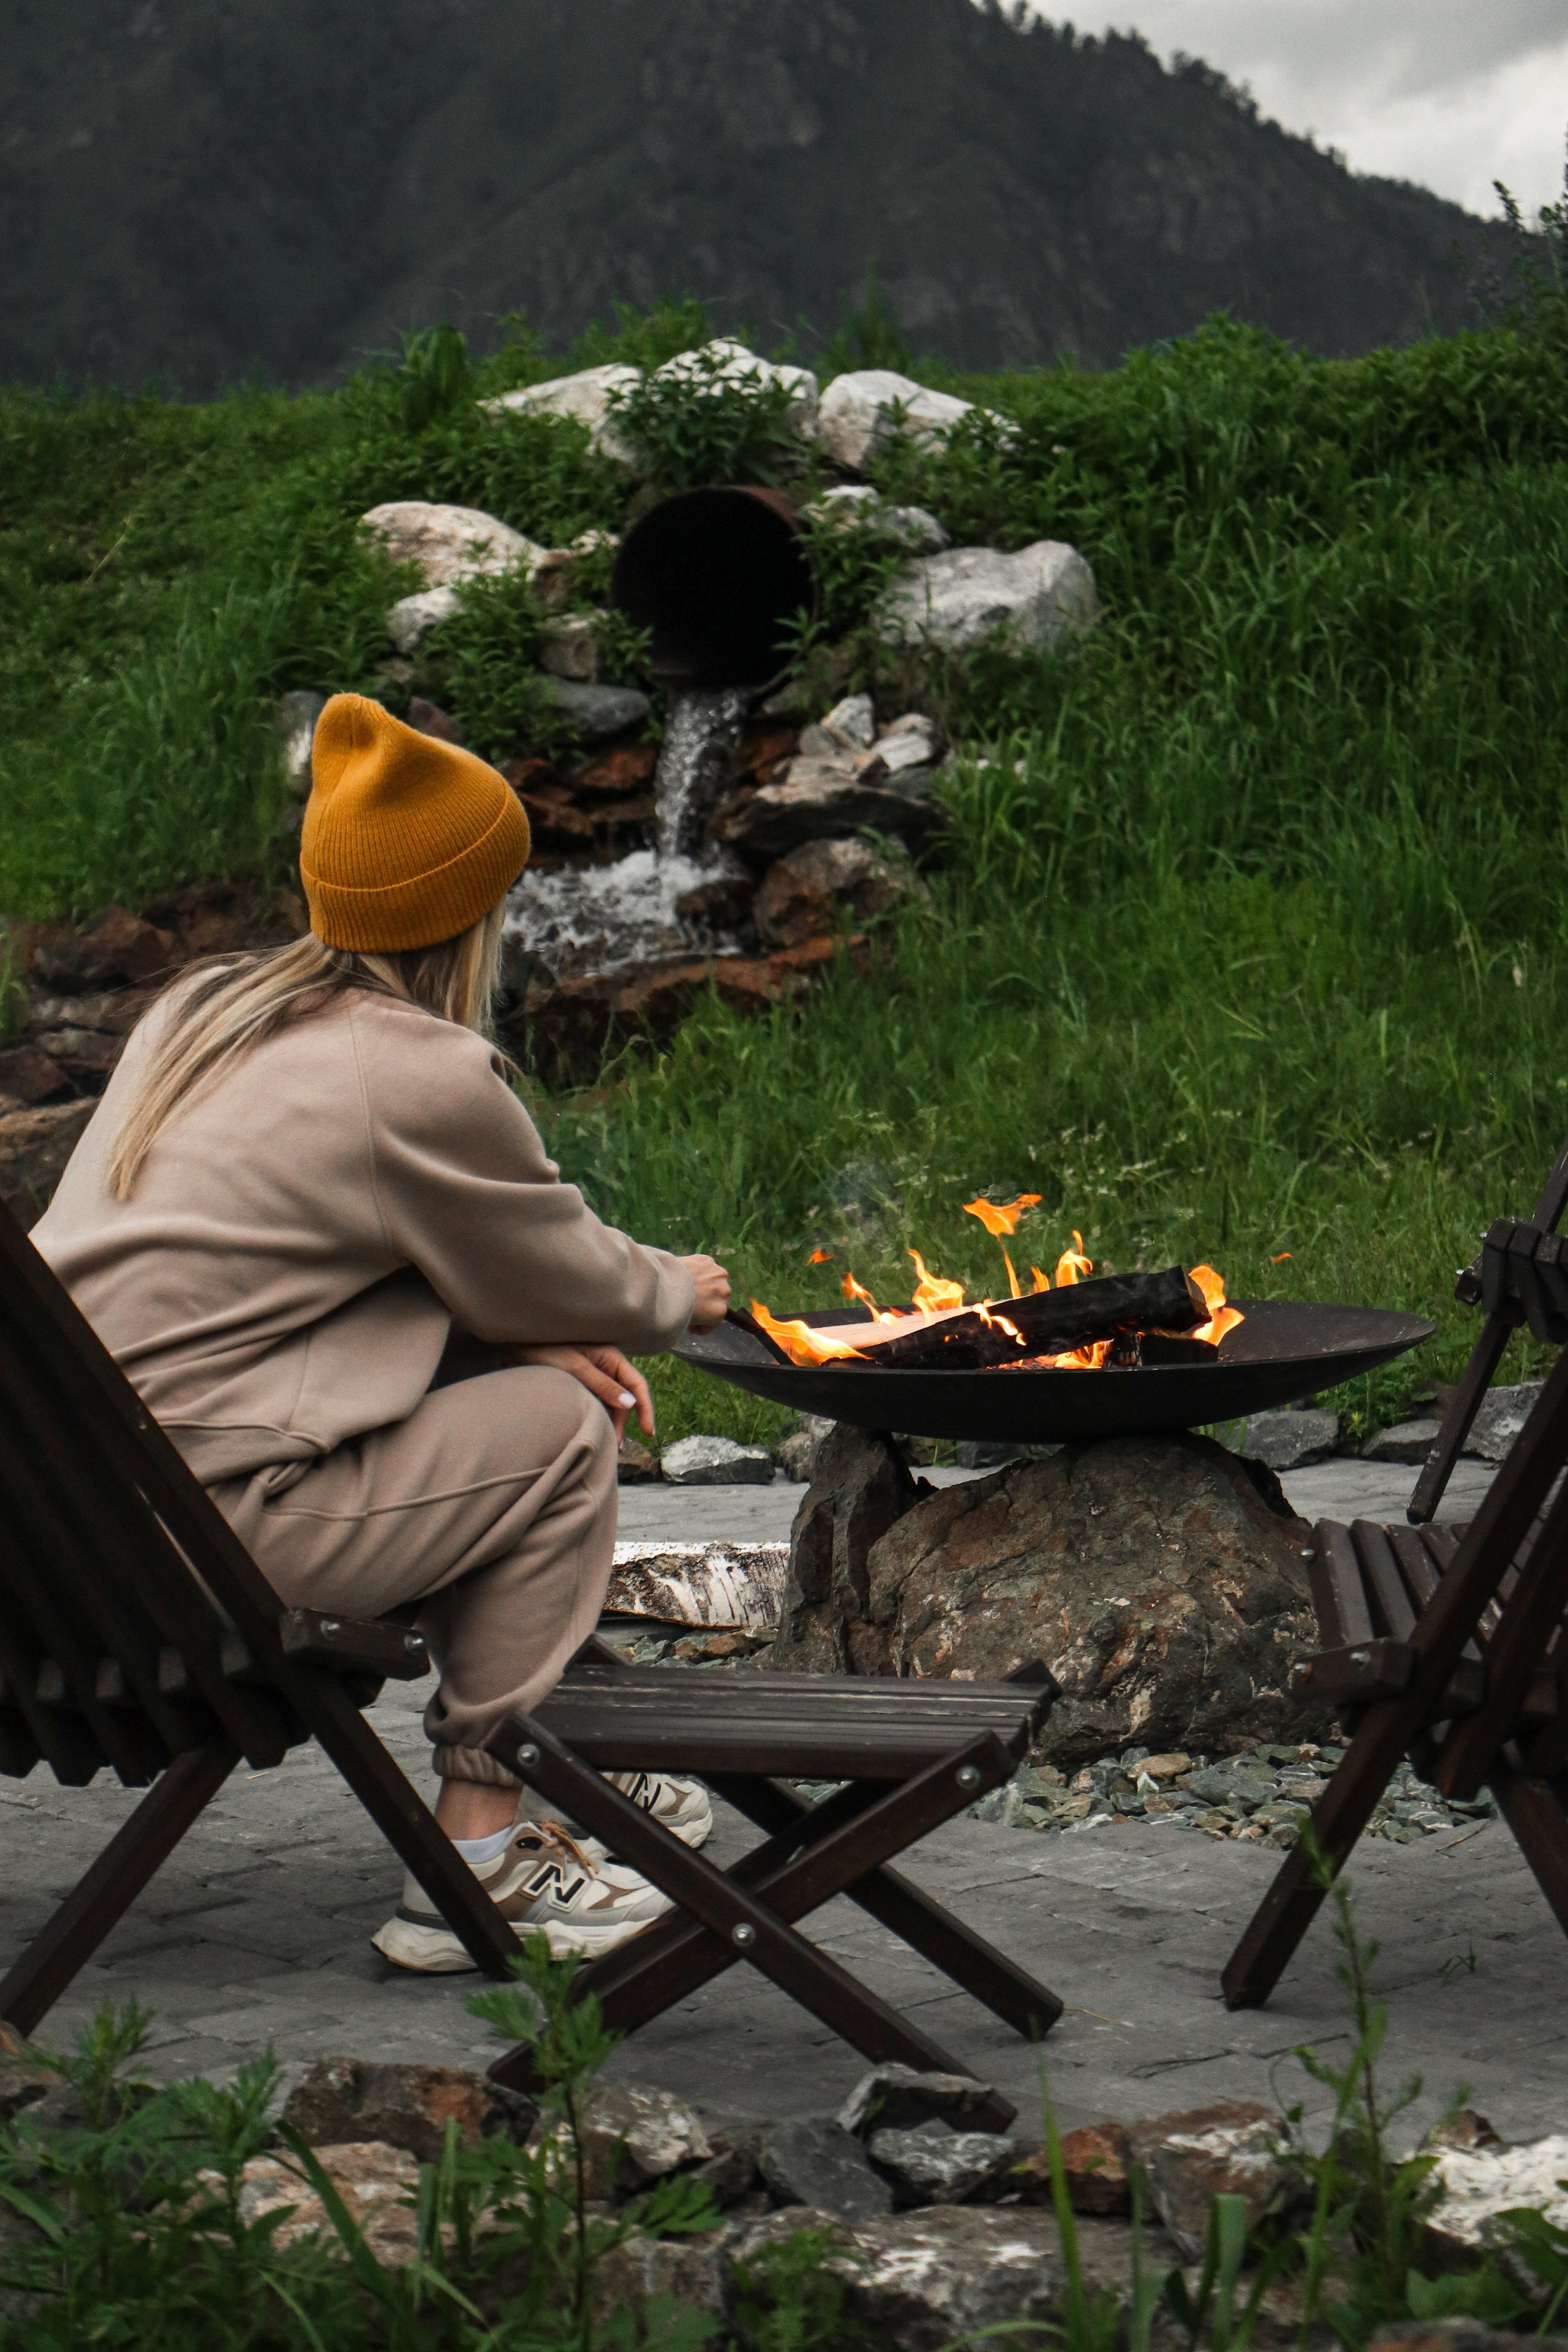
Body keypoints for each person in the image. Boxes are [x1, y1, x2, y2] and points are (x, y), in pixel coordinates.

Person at [31, 693, 732, 1972]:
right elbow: (557, 1267)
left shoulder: (198, 1015)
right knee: (561, 1430)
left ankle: (579, 1773)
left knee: (512, 1392)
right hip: (196, 1559)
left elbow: (288, 1276)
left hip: (56, 1547)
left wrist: (502, 1334)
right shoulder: (412, 1072)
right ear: (468, 910)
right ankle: (478, 1855)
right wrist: (679, 1293)